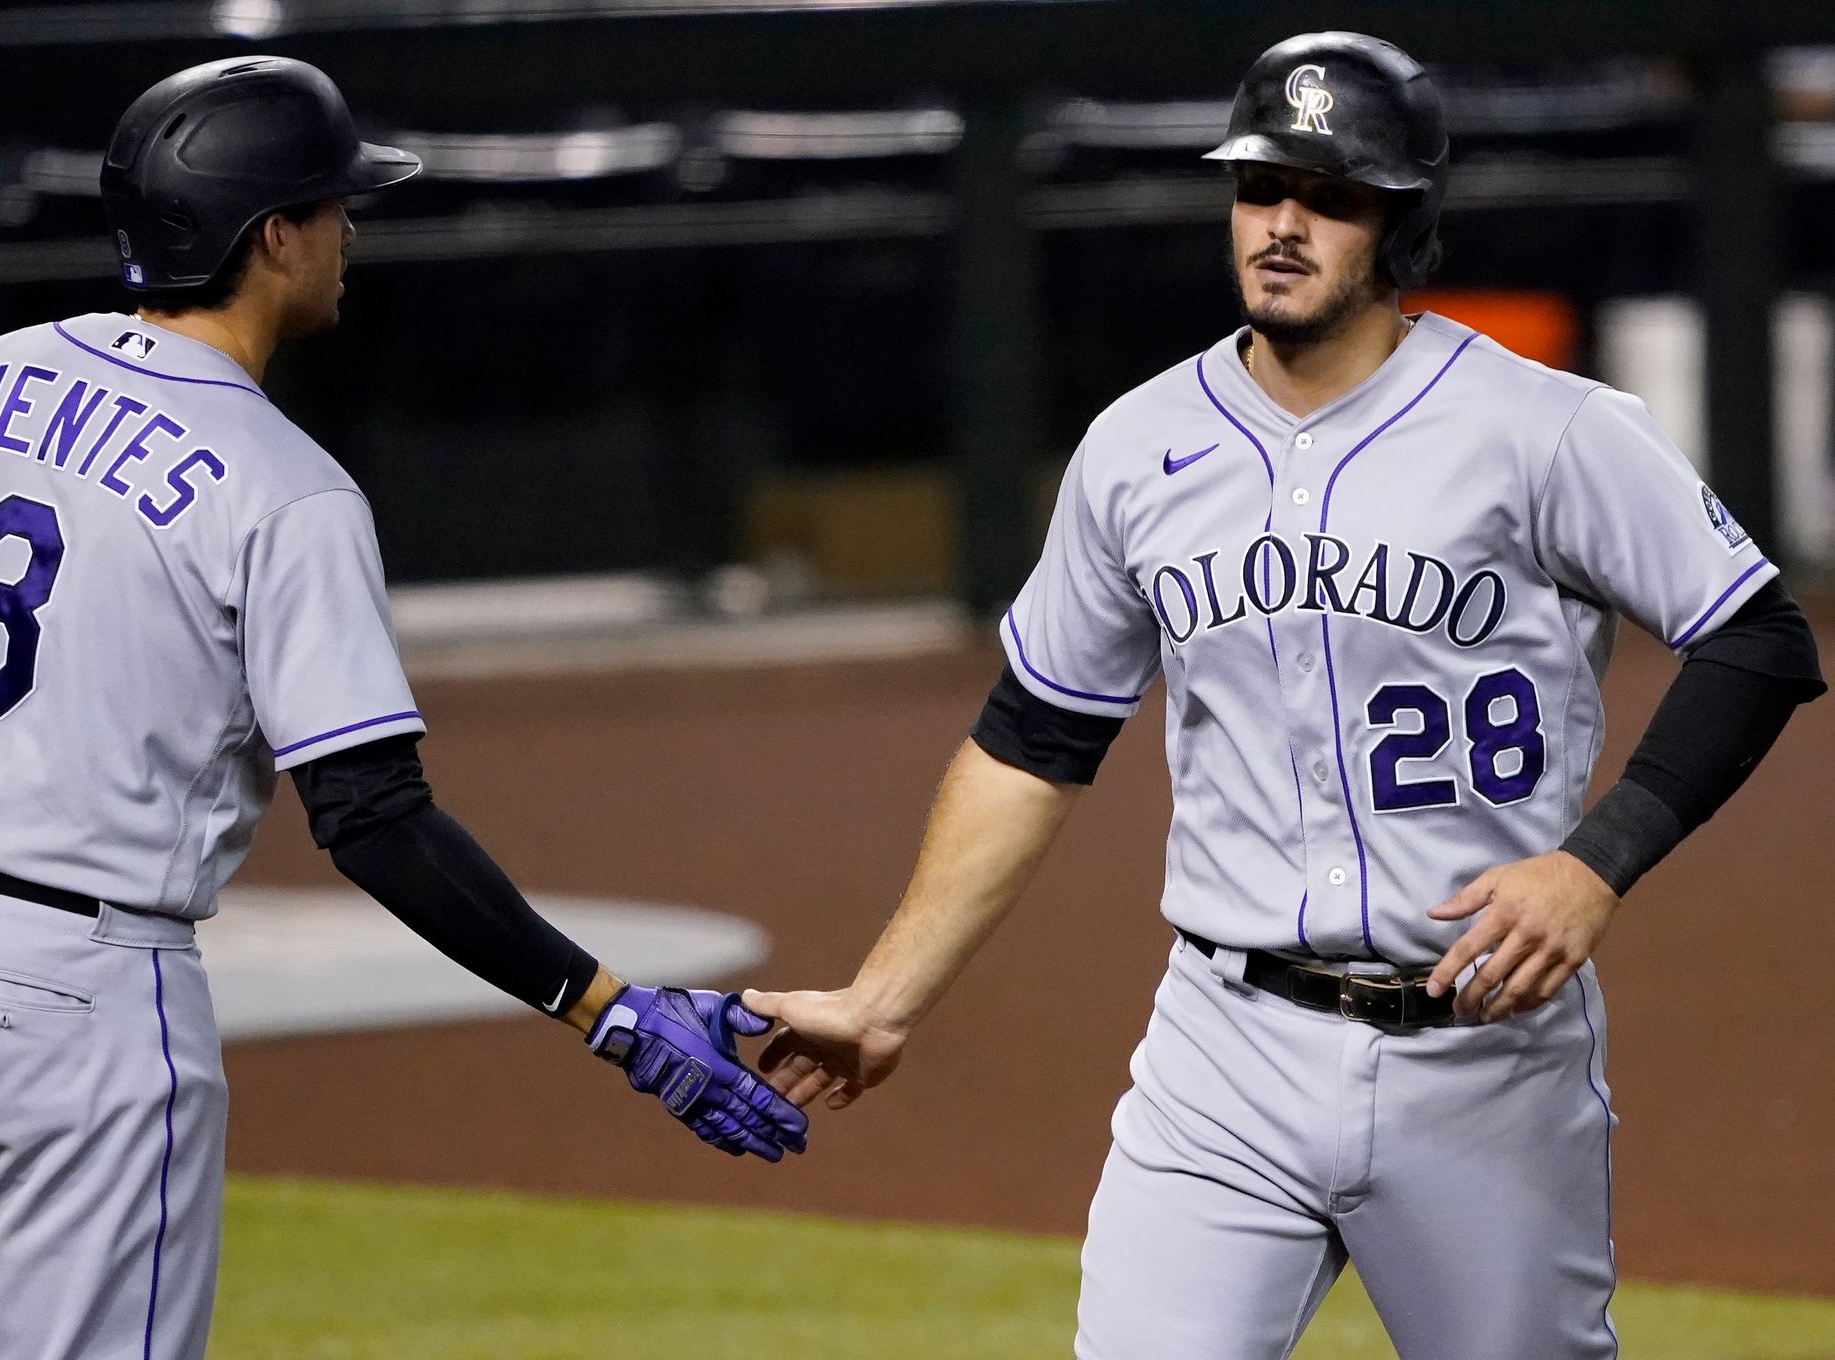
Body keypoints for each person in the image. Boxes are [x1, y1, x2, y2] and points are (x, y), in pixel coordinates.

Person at [742, 30, 1823, 1359]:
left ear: (1402, 222)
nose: (1284, 225)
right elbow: (1035, 735)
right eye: (1261, 190)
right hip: (1224, 1049)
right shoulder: (1139, 448)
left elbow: (1760, 640)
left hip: (1480, 1055)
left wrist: (1597, 864)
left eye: (1330, 196)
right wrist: (880, 998)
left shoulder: (1547, 430)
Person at [0, 55, 802, 1360]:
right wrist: (607, 1009)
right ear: (272, 236)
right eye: (335, 207)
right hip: (66, 1006)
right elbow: (375, 818)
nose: (349, 234)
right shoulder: (285, 487)